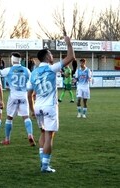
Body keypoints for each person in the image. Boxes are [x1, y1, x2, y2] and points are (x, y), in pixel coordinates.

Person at [29, 36, 75, 173]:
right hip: (50, 106)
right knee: (49, 135)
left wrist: (32, 109)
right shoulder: (52, 68)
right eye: (50, 54)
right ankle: (45, 165)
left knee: (43, 133)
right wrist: (68, 43)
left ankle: (42, 161)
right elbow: (71, 57)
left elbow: (29, 94)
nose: (52, 55)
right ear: (46, 57)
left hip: (38, 107)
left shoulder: (33, 73)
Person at [0, 52, 36, 146]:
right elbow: (32, 81)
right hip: (24, 96)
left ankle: (7, 139)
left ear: (12, 60)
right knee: (26, 117)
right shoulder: (26, 70)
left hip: (13, 96)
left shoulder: (8, 70)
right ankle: (30, 134)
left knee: (9, 118)